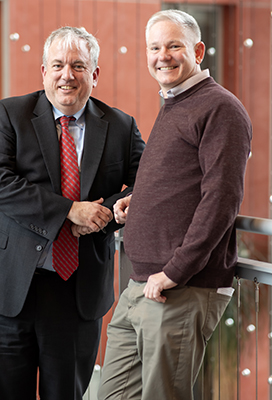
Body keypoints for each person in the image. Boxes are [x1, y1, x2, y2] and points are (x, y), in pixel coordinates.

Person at [0, 26, 145, 400]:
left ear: (94, 75)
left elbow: (148, 181)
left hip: (75, 296)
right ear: (43, 71)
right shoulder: (9, 114)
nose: (67, 75)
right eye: (58, 65)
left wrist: (108, 211)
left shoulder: (121, 126)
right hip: (5, 290)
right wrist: (70, 212)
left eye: (78, 66)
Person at [98, 9, 252, 400]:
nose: (162, 55)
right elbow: (183, 180)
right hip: (141, 284)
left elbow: (222, 199)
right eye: (154, 47)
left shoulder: (220, 108)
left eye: (173, 46)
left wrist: (175, 271)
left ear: (197, 50)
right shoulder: (175, 102)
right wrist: (140, 200)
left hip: (180, 287)